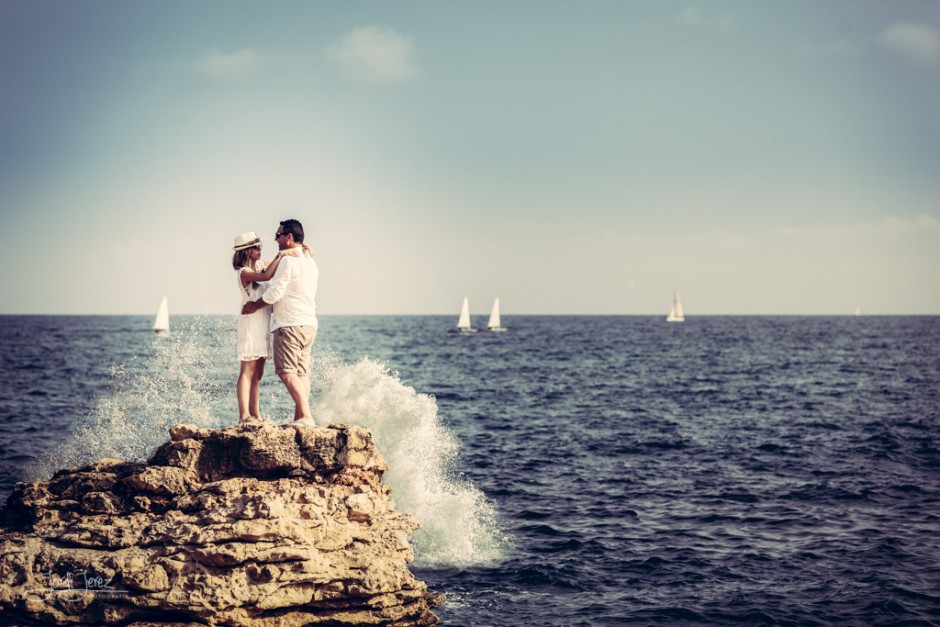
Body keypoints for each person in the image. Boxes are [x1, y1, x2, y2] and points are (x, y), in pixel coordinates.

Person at [242, 219, 319, 426]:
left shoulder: (289, 260)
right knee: (301, 373)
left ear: (289, 237)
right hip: (309, 324)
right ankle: (300, 417)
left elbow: (275, 291)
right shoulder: (309, 259)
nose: (275, 239)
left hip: (290, 324)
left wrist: (254, 306)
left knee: (286, 371)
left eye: (278, 235)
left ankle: (305, 415)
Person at [231, 231, 295, 425]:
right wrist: (282, 254)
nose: (260, 250)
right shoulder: (243, 272)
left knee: (258, 372)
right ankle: (244, 416)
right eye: (256, 247)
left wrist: (300, 249)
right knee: (247, 370)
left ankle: (255, 414)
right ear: (246, 251)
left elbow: (273, 268)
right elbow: (267, 275)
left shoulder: (259, 264)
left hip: (262, 324)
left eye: (260, 246)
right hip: (250, 325)